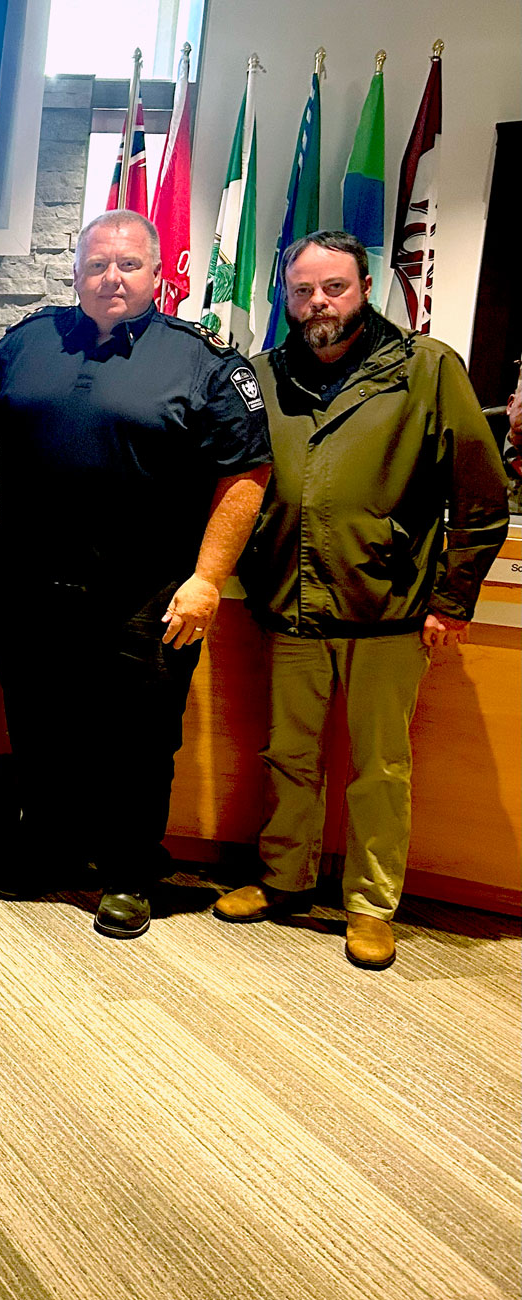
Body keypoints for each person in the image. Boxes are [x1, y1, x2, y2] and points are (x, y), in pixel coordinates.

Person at [215, 231, 508, 970]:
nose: (319, 303)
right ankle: (283, 879)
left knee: (380, 768)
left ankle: (371, 905)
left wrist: (453, 599)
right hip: (291, 605)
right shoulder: (263, 375)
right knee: (288, 756)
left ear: (366, 286)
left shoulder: (425, 368)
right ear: (287, 297)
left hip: (389, 607)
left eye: (334, 287)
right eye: (303, 290)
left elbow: (482, 493)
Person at [0, 209, 270, 940]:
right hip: (30, 584)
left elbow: (245, 476)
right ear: (76, 272)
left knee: (138, 741)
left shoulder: (204, 362)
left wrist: (207, 579)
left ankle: (129, 872)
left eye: (129, 264)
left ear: (158, 274)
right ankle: (47, 849)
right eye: (98, 264)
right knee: (39, 725)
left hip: (148, 592)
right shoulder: (25, 343)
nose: (112, 277)